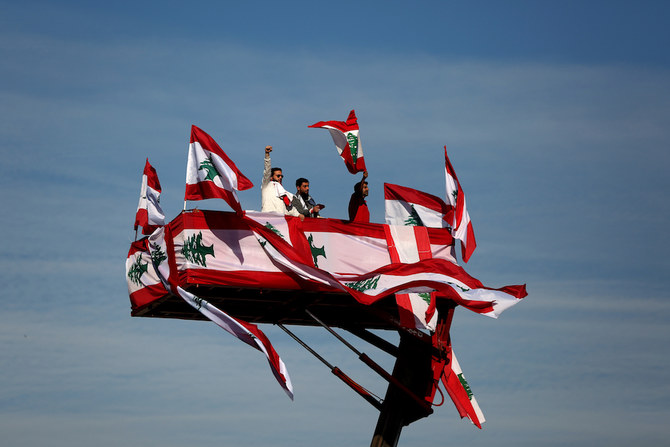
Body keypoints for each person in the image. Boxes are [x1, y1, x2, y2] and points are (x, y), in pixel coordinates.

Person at [261, 146, 300, 217]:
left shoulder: (283, 192)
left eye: (282, 176)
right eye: (278, 176)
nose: (280, 177)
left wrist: (299, 215)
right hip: (267, 218)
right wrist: (267, 155)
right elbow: (267, 171)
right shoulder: (266, 185)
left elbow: (290, 209)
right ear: (271, 177)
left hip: (280, 221)